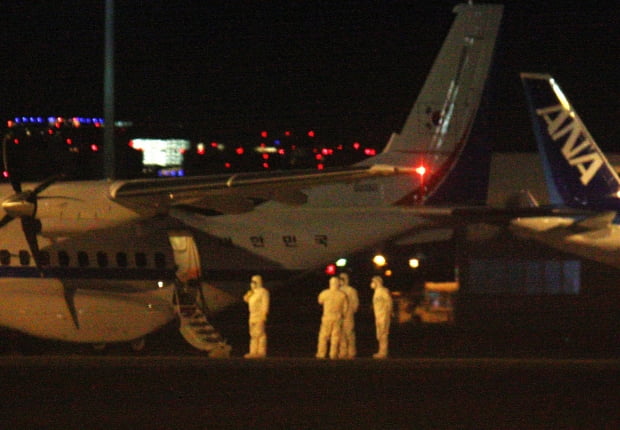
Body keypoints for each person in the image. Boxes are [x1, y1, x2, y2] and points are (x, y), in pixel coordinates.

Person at [316, 276, 348, 359]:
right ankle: (333, 354)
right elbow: (345, 308)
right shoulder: (342, 295)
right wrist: (342, 315)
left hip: (327, 317)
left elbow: (320, 301)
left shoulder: (324, 293)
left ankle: (321, 353)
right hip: (337, 317)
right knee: (335, 336)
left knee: (323, 336)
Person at [243, 274, 270, 358]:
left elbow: (265, 304)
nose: (252, 284)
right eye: (251, 282)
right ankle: (253, 352)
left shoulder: (263, 292)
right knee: (253, 335)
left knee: (260, 334)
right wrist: (249, 294)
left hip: (259, 316)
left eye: (254, 282)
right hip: (252, 316)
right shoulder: (253, 293)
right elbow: (246, 300)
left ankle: (261, 352)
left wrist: (264, 314)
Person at [370, 276, 393, 359]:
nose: (371, 284)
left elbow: (389, 302)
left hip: (383, 315)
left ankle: (383, 352)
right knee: (379, 334)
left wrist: (389, 313)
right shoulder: (376, 292)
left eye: (373, 282)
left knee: (383, 334)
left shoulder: (383, 291)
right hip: (378, 315)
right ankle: (381, 351)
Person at [338, 272, 359, 359]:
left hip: (348, 314)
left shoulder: (351, 290)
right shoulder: (338, 290)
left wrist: (351, 311)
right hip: (340, 314)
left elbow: (355, 302)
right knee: (341, 333)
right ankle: (343, 351)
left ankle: (351, 351)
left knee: (349, 333)